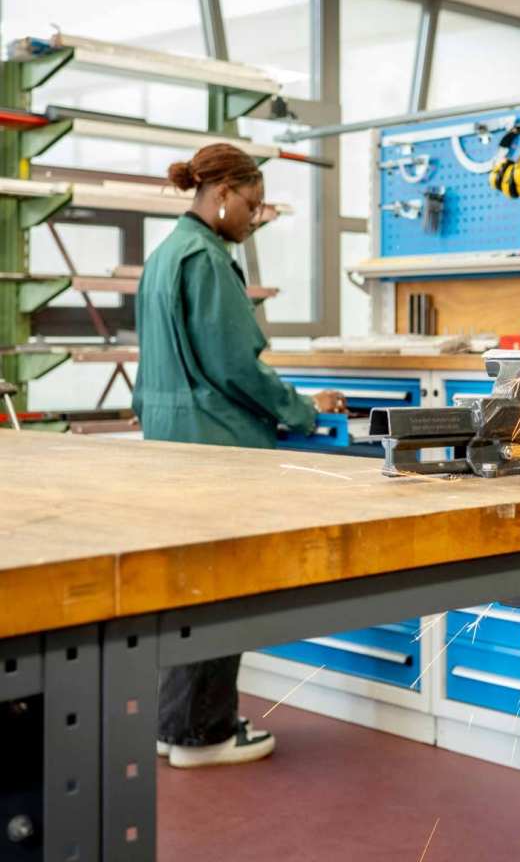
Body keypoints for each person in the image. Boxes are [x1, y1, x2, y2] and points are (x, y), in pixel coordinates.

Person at [134, 142, 345, 768]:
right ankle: (206, 734)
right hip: (218, 450)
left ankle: (176, 724)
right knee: (218, 592)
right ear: (222, 195)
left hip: (172, 446)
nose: (253, 218)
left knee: (184, 590)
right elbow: (235, 368)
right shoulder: (205, 258)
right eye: (250, 206)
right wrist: (305, 411)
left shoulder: (166, 253)